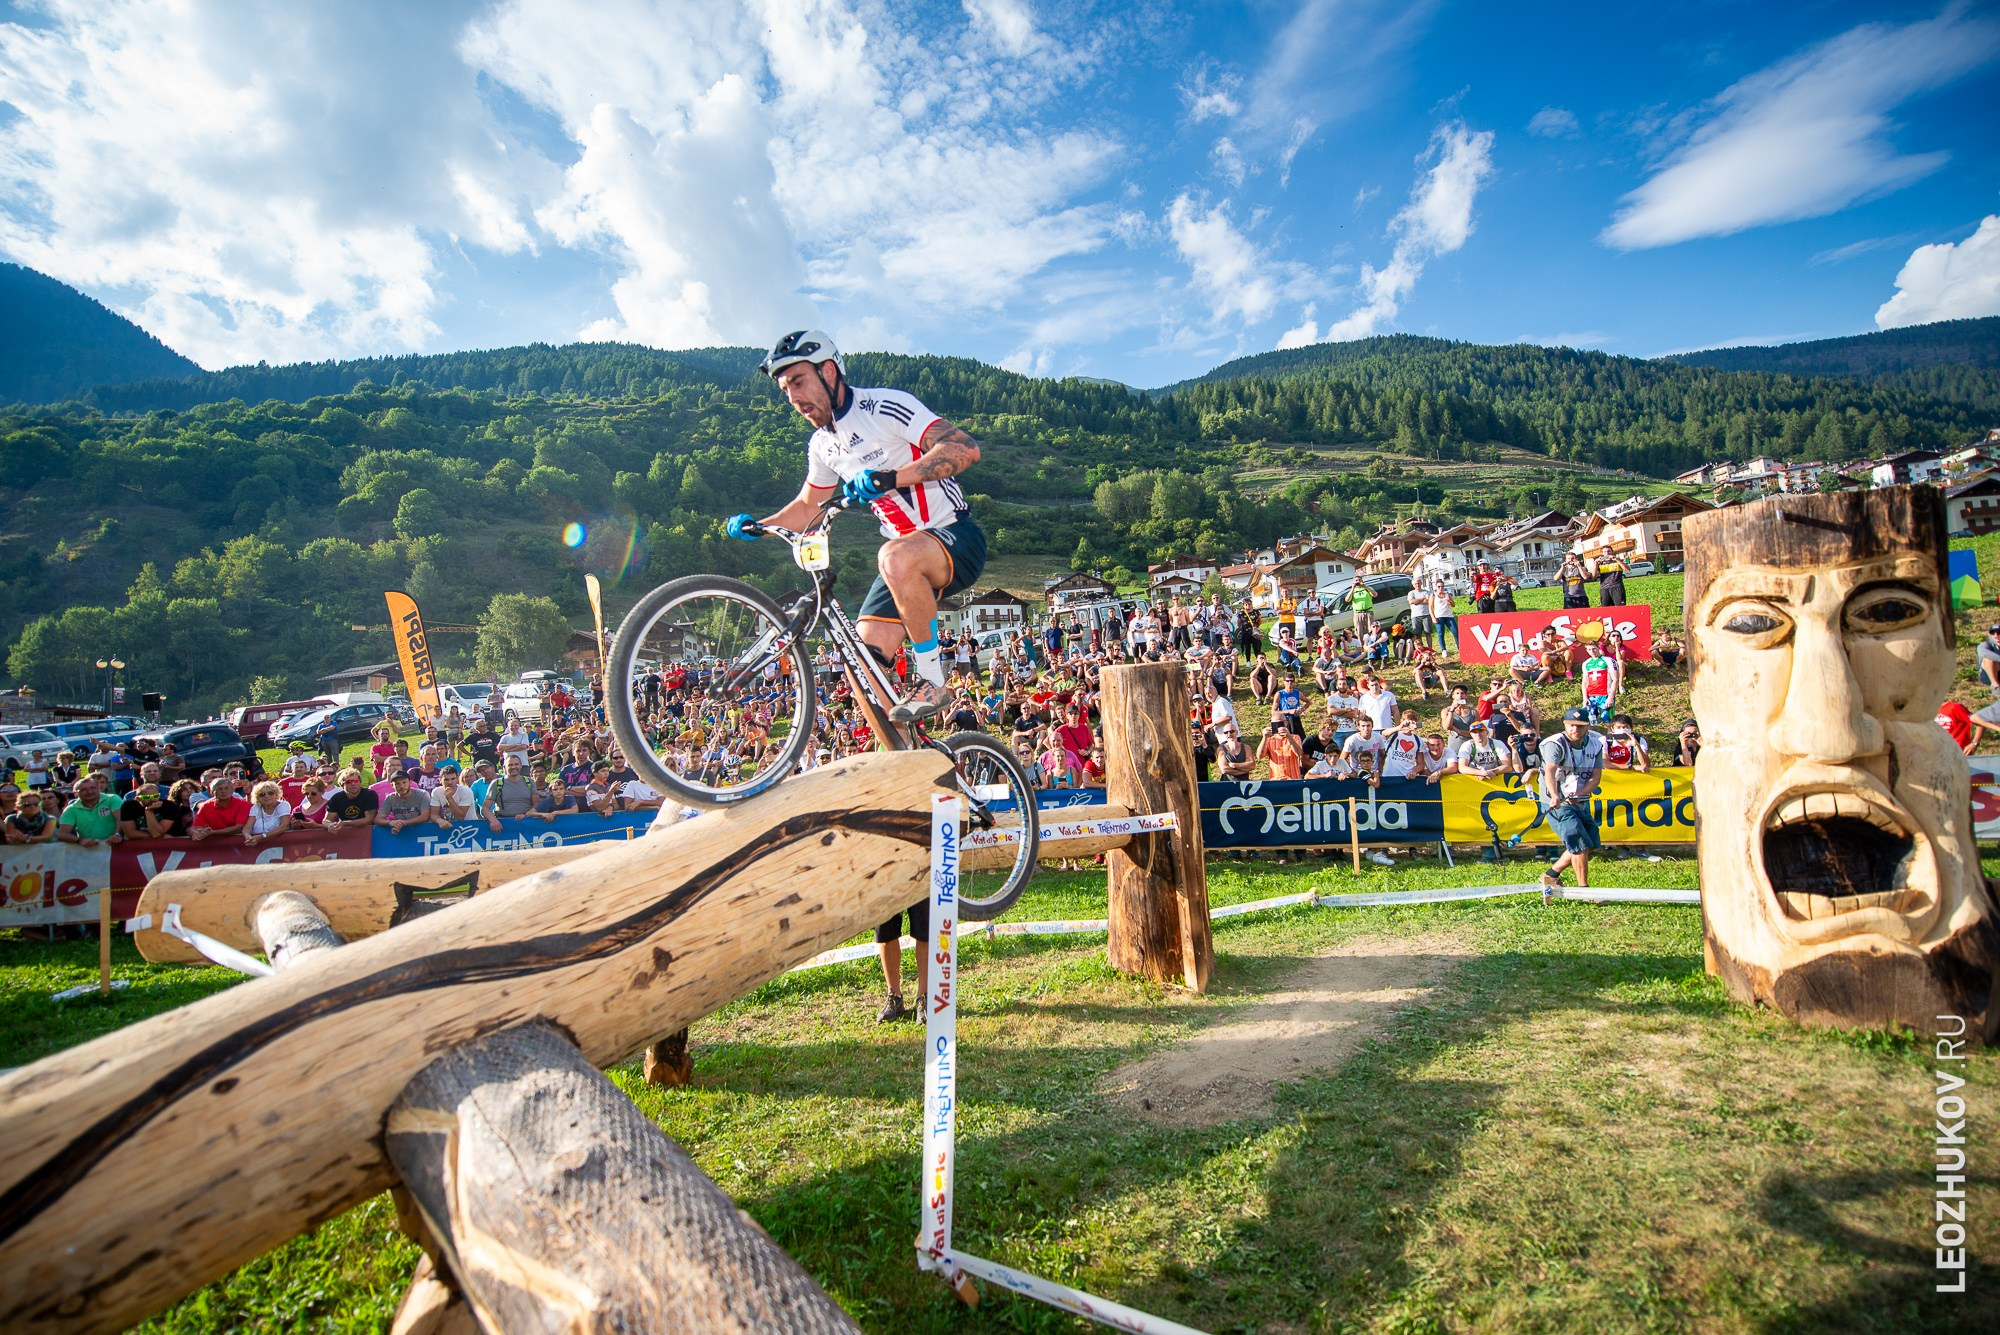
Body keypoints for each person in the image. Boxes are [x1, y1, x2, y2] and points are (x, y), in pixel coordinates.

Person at [729, 329, 987, 724]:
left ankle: (933, 679)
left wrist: (891, 477)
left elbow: (963, 448)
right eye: (785, 390)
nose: (793, 397)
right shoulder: (822, 444)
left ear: (829, 371)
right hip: (900, 564)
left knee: (893, 555)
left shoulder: (884, 407)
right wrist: (758, 526)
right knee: (859, 663)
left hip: (954, 536)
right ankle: (905, 747)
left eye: (798, 382)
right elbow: (807, 505)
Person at [1539, 707, 1606, 901]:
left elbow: (1596, 776)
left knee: (1591, 842)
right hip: (1557, 802)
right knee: (1579, 843)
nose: (1575, 729)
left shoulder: (1595, 744)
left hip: (1579, 799)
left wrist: (1582, 793)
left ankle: (1551, 875)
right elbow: (1550, 771)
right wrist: (1554, 795)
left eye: (1580, 726)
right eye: (1571, 725)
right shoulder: (1555, 744)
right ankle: (1584, 891)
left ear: (1588, 726)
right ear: (1565, 725)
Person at [189, 776, 251, 842]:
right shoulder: (206, 806)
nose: (223, 791)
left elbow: (239, 827)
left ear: (232, 790)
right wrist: (195, 833)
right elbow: (195, 827)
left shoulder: (242, 804)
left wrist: (212, 832)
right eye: (219, 789)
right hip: (215, 844)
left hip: (239, 842)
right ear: (212, 792)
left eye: (226, 788)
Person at [322, 768, 380, 832]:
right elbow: (326, 821)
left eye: (356, 781)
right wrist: (330, 825)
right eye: (349, 782)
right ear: (342, 785)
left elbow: (369, 820)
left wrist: (346, 823)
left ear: (360, 782)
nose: (353, 784)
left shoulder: (369, 795)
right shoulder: (336, 798)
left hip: (368, 833)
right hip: (346, 834)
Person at [244, 780, 295, 845]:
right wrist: (248, 836)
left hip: (279, 845)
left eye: (270, 793)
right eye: (262, 794)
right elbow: (248, 827)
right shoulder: (256, 807)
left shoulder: (283, 805)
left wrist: (262, 837)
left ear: (276, 794)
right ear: (257, 797)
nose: (266, 796)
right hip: (257, 846)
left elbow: (285, 826)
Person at [1979, 625, 2000, 692]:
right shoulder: (1985, 645)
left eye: (1999, 632)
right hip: (1988, 676)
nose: (1996, 635)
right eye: (1993, 633)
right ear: (1990, 635)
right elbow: (1983, 653)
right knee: (1988, 659)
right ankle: (1996, 687)